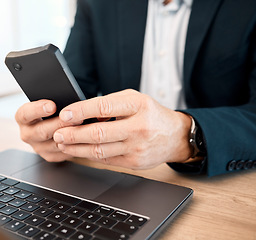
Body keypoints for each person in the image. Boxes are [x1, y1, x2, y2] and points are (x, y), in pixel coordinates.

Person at [15, 0, 256, 177]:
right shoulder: (97, 5)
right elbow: (76, 86)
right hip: (115, 176)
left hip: (221, 181)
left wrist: (185, 135)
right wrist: (52, 128)